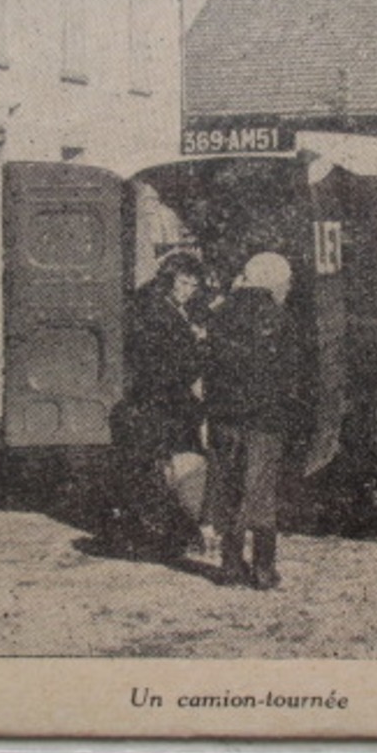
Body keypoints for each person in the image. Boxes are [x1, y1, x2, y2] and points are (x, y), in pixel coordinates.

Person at [204, 251, 303, 590]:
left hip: (224, 419)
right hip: (264, 422)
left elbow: (210, 369)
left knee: (230, 491)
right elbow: (291, 376)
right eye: (286, 282)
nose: (288, 288)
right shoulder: (280, 318)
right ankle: (263, 570)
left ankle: (230, 568)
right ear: (274, 281)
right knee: (261, 494)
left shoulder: (219, 315)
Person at [113, 252, 208, 560]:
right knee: (165, 469)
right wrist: (193, 352)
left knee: (165, 469)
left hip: (165, 400)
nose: (188, 290)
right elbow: (162, 361)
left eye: (193, 285)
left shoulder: (163, 305)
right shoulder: (156, 311)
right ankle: (166, 536)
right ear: (169, 279)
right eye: (183, 283)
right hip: (160, 402)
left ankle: (168, 534)